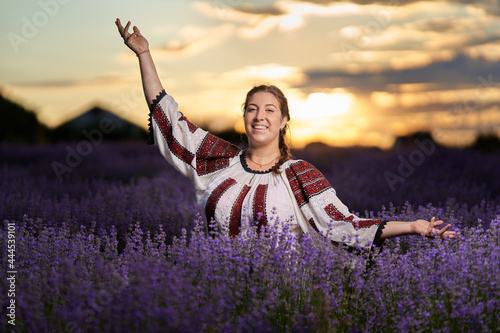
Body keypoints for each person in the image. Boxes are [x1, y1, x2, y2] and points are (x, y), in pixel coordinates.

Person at [115, 18, 456, 252]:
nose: (259, 116)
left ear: (283, 122)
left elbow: (345, 225)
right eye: (251, 108)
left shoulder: (301, 175)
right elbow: (170, 118)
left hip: (279, 295)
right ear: (243, 118)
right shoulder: (218, 161)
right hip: (216, 290)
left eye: (269, 110)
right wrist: (145, 54)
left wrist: (412, 226)